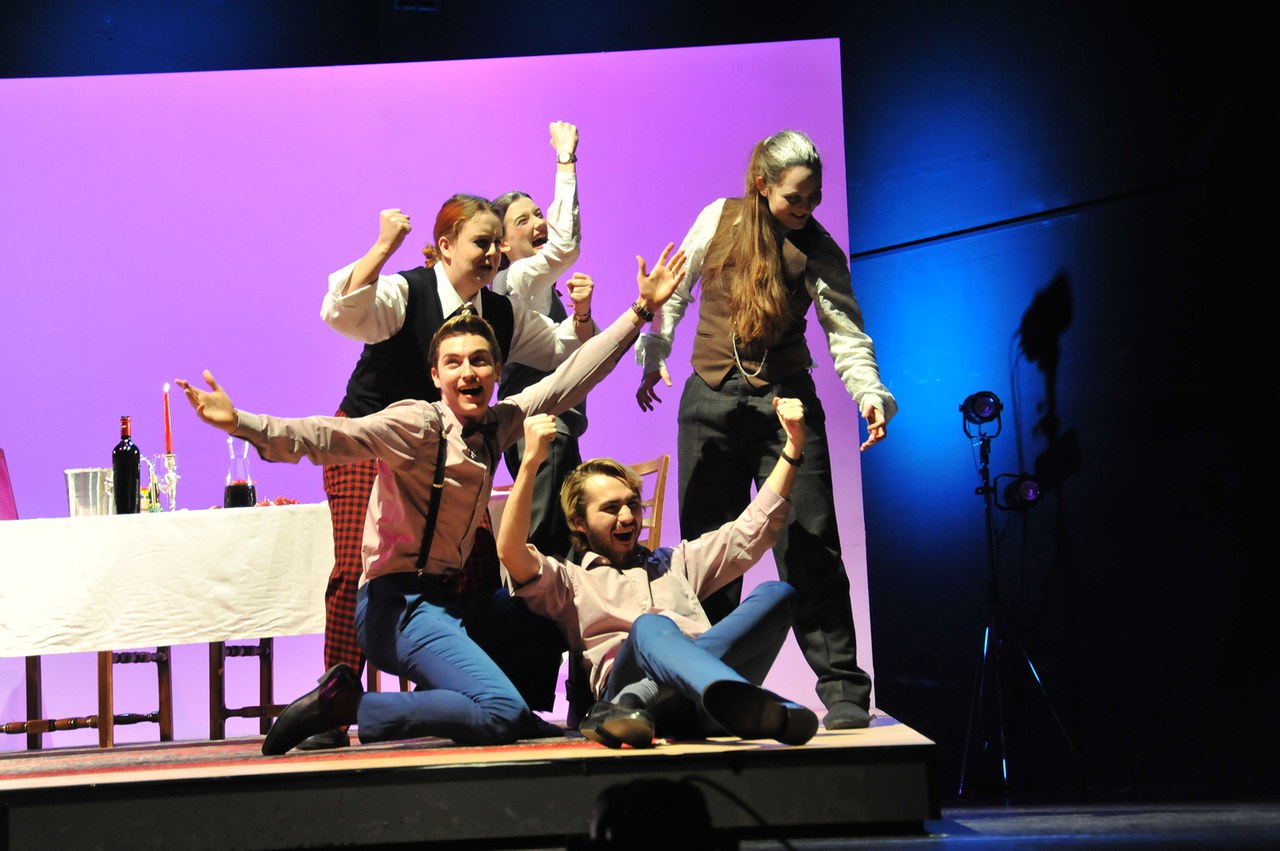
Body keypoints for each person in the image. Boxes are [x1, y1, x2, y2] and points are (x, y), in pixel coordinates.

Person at [176, 242, 686, 755]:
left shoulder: (500, 421)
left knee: (540, 608)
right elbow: (330, 435)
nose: (469, 372)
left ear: (498, 370)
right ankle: (349, 707)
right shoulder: (418, 425)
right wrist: (242, 423)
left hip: (454, 601)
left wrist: (641, 310)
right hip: (398, 606)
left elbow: (570, 379)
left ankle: (513, 715)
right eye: (454, 363)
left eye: (480, 361)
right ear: (436, 376)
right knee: (498, 713)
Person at [308, 188, 597, 749]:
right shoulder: (407, 292)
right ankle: (333, 709)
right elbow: (341, 311)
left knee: (482, 566)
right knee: (355, 565)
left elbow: (559, 348)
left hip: (450, 450)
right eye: (481, 242)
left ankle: (498, 701)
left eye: (497, 244)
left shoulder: (500, 311)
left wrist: (582, 318)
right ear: (445, 246)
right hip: (373, 438)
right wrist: (383, 246)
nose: (493, 254)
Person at [634, 129, 898, 731]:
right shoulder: (719, 219)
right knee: (710, 553)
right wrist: (656, 350)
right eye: (793, 198)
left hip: (786, 403)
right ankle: (706, 690)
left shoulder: (818, 248)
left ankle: (843, 688)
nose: (805, 209)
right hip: (709, 400)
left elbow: (845, 331)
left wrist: (869, 393)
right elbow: (674, 291)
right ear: (762, 184)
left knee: (810, 542)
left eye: (814, 198)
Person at [497, 397, 819, 748]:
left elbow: (752, 529)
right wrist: (530, 464)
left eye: (633, 505)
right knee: (650, 625)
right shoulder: (570, 582)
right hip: (635, 696)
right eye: (610, 509)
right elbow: (511, 552)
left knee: (778, 593)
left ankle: (660, 696)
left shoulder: (675, 563)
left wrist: (793, 448)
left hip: (692, 703)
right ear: (579, 523)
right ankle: (733, 697)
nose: (627, 517)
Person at [491, 120, 587, 563]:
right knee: (547, 547)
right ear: (502, 245)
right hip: (542, 427)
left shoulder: (536, 286)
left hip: (552, 426)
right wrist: (565, 158)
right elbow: (566, 245)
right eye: (523, 219)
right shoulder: (515, 278)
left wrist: (583, 315)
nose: (538, 222)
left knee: (562, 544)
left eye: (538, 213)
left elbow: (566, 350)